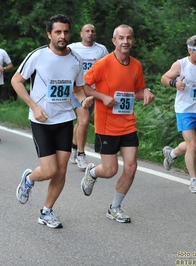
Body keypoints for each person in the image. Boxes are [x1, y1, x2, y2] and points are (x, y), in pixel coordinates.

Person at [11, 14, 93, 228]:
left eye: (66, 32)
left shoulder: (76, 59)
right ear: (49, 34)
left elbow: (77, 89)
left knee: (62, 170)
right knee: (48, 171)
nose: (62, 36)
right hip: (41, 121)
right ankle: (29, 179)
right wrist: (34, 107)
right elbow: (16, 81)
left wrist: (83, 101)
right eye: (58, 32)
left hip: (65, 119)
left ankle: (46, 211)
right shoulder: (38, 56)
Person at [80, 24, 155, 223]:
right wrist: (102, 97)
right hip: (106, 125)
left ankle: (114, 207)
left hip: (128, 123)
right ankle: (93, 172)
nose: (125, 42)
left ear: (133, 40)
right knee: (110, 170)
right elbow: (84, 87)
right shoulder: (103, 64)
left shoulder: (136, 66)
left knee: (131, 167)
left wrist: (145, 92)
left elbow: (136, 91)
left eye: (129, 38)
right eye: (121, 38)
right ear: (114, 41)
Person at [160, 35, 196, 193]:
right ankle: (193, 180)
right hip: (184, 109)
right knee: (192, 145)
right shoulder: (180, 64)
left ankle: (171, 153)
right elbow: (164, 78)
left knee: (194, 145)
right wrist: (175, 83)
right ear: (189, 50)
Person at [68, 24, 108, 169]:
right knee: (84, 121)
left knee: (80, 123)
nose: (90, 33)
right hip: (77, 90)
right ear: (81, 34)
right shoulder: (72, 48)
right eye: (87, 31)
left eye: (93, 31)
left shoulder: (101, 49)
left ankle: (73, 147)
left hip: (94, 91)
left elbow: (107, 69)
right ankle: (81, 155)